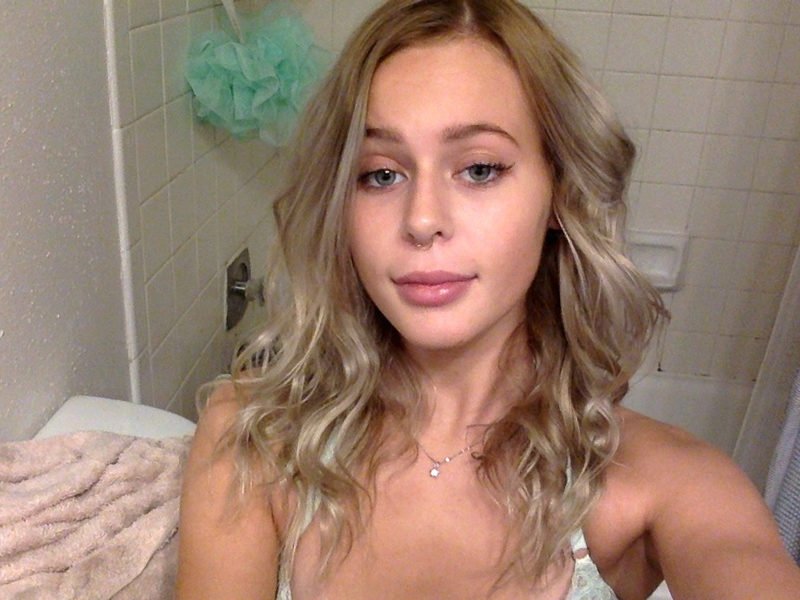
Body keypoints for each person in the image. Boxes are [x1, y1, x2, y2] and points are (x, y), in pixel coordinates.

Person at [176, 1, 800, 598]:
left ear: (560, 193)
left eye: (479, 169)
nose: (422, 220)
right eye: (381, 174)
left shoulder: (667, 484)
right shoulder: (253, 437)